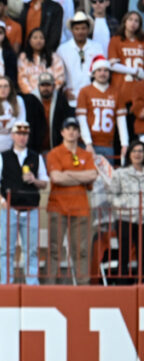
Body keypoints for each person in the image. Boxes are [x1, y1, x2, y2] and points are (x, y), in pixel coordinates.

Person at [0, 120, 48, 284]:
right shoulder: (2, 157)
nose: (22, 137)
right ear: (13, 136)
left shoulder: (36, 157)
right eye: (19, 134)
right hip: (10, 209)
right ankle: (7, 284)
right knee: (7, 250)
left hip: (30, 209)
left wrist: (33, 180)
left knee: (31, 250)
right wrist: (0, 199)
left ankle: (32, 285)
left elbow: (44, 183)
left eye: (25, 134)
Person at [45, 117, 97, 285]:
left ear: (79, 133)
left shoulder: (86, 154)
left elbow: (93, 175)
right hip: (57, 207)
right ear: (62, 132)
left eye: (75, 128)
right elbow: (57, 177)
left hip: (81, 208)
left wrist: (68, 174)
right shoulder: (54, 153)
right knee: (54, 249)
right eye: (68, 128)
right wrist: (80, 177)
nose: (72, 131)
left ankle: (83, 284)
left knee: (81, 250)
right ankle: (49, 285)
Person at [76, 56, 128, 159]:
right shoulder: (85, 91)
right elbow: (81, 120)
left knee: (108, 174)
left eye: (106, 70)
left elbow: (121, 120)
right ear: (93, 72)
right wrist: (88, 143)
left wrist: (124, 144)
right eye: (99, 70)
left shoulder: (116, 92)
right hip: (88, 144)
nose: (102, 73)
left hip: (107, 144)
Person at [108, 140, 144, 284]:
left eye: (140, 151)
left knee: (143, 254)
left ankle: (141, 284)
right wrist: (123, 205)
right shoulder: (120, 173)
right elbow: (111, 195)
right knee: (124, 253)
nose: (137, 154)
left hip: (143, 219)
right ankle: (122, 284)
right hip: (125, 218)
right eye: (134, 151)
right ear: (129, 154)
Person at [57, 11, 105, 106]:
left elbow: (102, 70)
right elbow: (59, 74)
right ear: (72, 30)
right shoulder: (63, 49)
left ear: (88, 30)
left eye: (83, 28)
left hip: (93, 97)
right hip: (71, 98)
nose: (80, 32)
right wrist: (64, 90)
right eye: (77, 29)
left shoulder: (97, 47)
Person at [16, 27, 65, 95]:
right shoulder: (23, 57)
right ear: (29, 41)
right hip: (30, 97)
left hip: (51, 96)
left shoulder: (54, 57)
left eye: (41, 38)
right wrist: (33, 94)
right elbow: (22, 78)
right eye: (35, 38)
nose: (38, 40)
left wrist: (50, 92)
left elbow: (60, 78)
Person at [108, 11, 144, 88]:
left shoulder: (142, 41)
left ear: (139, 25)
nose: (133, 23)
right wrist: (134, 71)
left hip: (140, 87)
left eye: (136, 21)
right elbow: (112, 65)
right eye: (130, 19)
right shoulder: (115, 40)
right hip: (121, 86)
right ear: (125, 22)